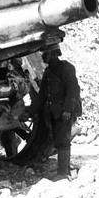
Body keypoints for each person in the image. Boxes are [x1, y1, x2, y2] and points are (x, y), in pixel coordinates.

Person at [34, 44, 82, 181]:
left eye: (46, 53)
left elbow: (73, 90)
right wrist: (31, 110)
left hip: (64, 112)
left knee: (63, 141)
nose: (43, 56)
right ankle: (64, 170)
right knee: (59, 140)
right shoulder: (49, 71)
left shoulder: (66, 68)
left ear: (54, 54)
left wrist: (67, 109)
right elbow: (42, 95)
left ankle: (63, 173)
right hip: (54, 112)